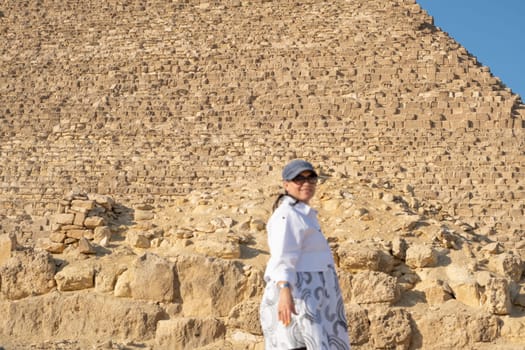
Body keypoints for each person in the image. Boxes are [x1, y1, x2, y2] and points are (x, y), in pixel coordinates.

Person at [260, 159, 351, 350]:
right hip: (298, 294)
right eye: (298, 179)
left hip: (313, 295)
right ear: (286, 184)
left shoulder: (302, 214)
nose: (306, 183)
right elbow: (282, 256)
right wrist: (284, 291)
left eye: (311, 178)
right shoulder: (287, 215)